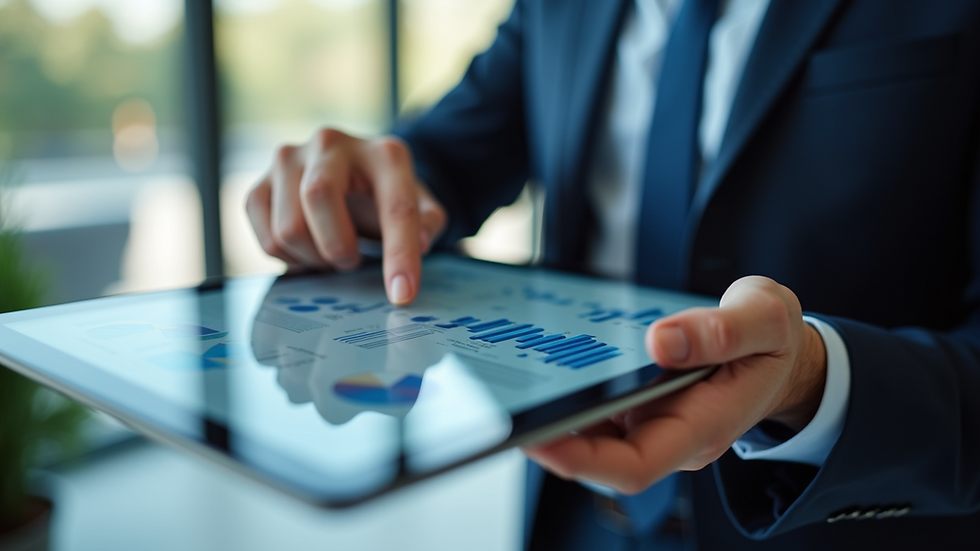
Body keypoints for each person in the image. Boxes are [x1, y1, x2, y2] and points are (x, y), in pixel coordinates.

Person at [246, 0, 980, 548]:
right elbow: (446, 155)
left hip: (832, 519)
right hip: (573, 509)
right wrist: (366, 186)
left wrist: (812, 382)